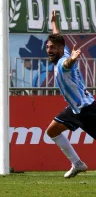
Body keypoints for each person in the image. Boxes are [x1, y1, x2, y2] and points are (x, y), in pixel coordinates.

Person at [45, 10, 96, 178]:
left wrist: (73, 59)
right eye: (47, 47)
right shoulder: (64, 51)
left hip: (87, 110)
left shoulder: (62, 62)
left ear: (60, 49)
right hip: (75, 109)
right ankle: (77, 164)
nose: (49, 50)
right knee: (52, 131)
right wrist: (53, 22)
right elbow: (57, 36)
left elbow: (67, 64)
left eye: (52, 47)